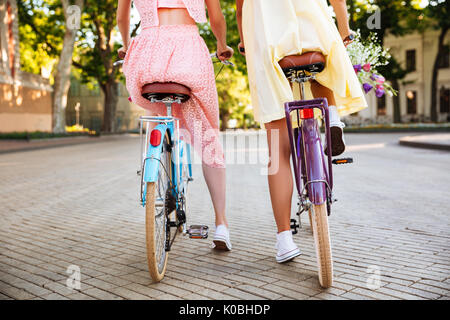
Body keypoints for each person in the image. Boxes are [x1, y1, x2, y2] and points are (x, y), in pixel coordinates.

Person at [236, 0, 368, 262]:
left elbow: (241, 7)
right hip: (311, 27)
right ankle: (331, 118)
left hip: (269, 35)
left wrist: (243, 40)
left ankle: (284, 239)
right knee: (320, 66)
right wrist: (344, 28)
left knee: (278, 151)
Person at [117, 0, 234, 250]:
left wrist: (127, 46)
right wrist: (222, 45)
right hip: (188, 52)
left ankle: (155, 157)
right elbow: (216, 18)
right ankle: (221, 223)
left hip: (146, 55)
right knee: (208, 139)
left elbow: (121, 18)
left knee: (156, 109)